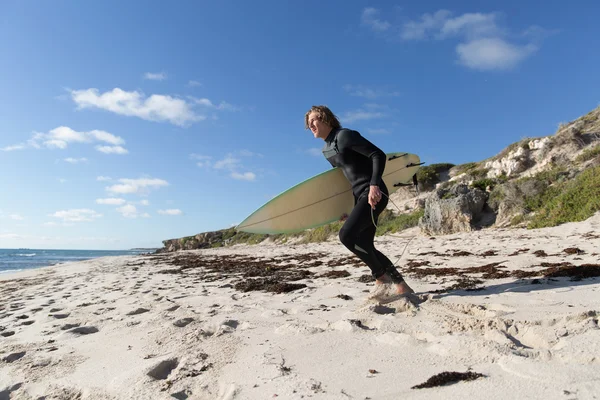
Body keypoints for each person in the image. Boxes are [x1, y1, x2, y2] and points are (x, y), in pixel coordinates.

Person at [304, 105, 414, 300]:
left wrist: (374, 185)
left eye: (314, 120)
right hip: (359, 197)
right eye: (308, 123)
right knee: (364, 243)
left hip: (374, 193)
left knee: (346, 236)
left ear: (326, 119)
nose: (310, 125)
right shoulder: (326, 151)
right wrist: (347, 209)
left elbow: (377, 154)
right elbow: (345, 181)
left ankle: (381, 276)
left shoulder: (345, 136)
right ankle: (402, 286)